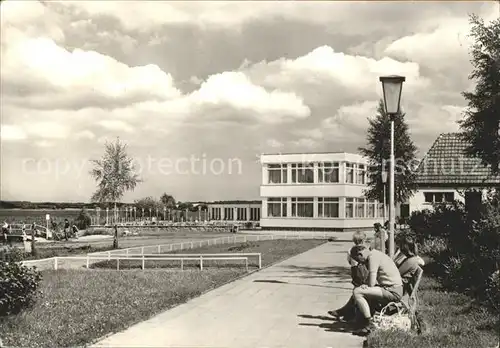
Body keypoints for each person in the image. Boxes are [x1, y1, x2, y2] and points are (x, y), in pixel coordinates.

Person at [349, 245, 404, 335]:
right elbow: (369, 282)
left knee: (357, 292)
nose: (361, 263)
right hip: (391, 288)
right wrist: (364, 285)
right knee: (360, 290)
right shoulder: (375, 254)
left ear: (360, 254)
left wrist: (365, 286)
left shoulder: (372, 258)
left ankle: (369, 324)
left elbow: (371, 283)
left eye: (359, 260)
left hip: (392, 291)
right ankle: (362, 320)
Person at [328, 231, 369, 320]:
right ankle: (348, 313)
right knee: (358, 292)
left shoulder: (350, 250)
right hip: (365, 272)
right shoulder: (366, 249)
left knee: (356, 291)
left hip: (355, 272)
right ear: (364, 240)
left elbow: (349, 261)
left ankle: (346, 313)